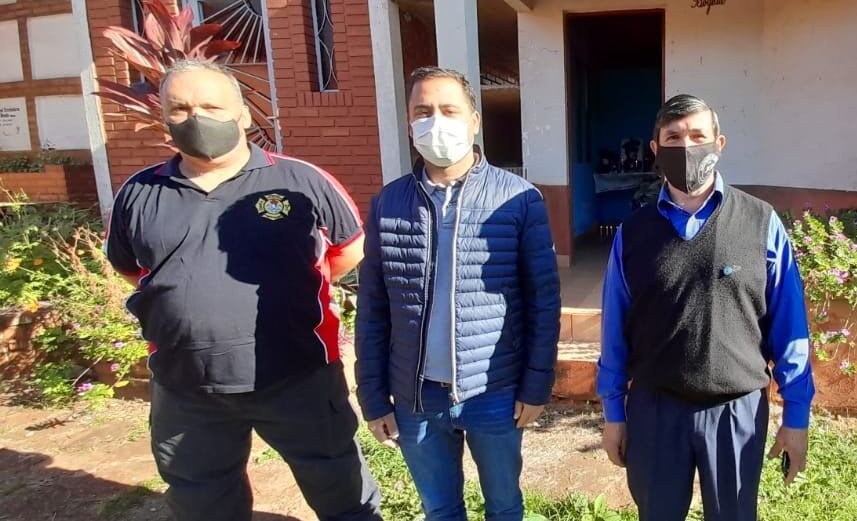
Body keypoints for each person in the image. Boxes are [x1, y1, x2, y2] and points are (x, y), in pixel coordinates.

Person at [105, 60, 382, 521]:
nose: (197, 119)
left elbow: (349, 251)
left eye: (212, 106)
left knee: (342, 496)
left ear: (244, 115)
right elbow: (134, 270)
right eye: (181, 108)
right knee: (203, 504)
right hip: (187, 387)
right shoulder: (139, 192)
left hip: (298, 377)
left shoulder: (301, 181)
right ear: (163, 116)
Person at [354, 67, 561, 521]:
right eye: (422, 111)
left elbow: (543, 301)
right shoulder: (389, 203)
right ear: (409, 124)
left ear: (474, 120)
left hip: (495, 390)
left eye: (449, 110)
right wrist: (372, 395)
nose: (436, 122)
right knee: (440, 508)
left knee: (504, 505)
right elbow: (372, 308)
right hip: (416, 396)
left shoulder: (519, 199)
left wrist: (536, 382)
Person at [597, 94, 815, 521]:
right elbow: (615, 328)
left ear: (719, 143)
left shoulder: (760, 221)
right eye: (674, 137)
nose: (687, 146)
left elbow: (790, 326)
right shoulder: (633, 233)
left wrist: (797, 415)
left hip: (736, 412)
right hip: (655, 410)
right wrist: (612, 413)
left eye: (698, 135)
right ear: (656, 149)